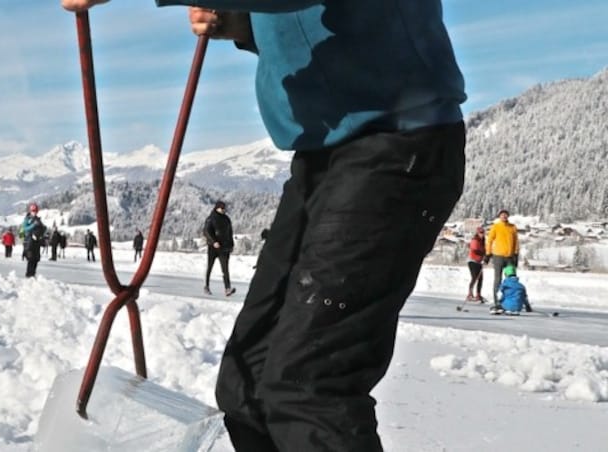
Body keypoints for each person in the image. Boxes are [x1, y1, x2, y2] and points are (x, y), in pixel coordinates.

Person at [62, 2, 466, 450]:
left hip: (398, 141)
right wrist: (245, 24)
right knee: (246, 380)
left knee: (308, 383)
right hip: (323, 154)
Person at [485, 209, 519, 314]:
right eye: (502, 215)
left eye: (505, 215)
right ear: (499, 216)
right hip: (498, 256)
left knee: (511, 279)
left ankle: (510, 302)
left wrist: (516, 254)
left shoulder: (512, 227)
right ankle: (497, 303)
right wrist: (488, 253)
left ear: (508, 216)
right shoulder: (496, 226)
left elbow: (516, 242)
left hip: (509, 257)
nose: (504, 216)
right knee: (498, 279)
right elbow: (490, 240)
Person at [203, 201, 235, 296]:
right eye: (222, 208)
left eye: (224, 208)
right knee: (210, 267)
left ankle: (227, 288)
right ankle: (206, 286)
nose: (224, 210)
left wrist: (231, 245)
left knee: (225, 269)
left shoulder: (226, 219)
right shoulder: (211, 218)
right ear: (217, 208)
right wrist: (214, 242)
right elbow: (206, 231)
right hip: (213, 247)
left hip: (224, 248)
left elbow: (230, 233)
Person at [23, 203, 46, 277]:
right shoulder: (27, 219)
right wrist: (33, 225)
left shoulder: (38, 219)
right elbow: (25, 228)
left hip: (37, 241)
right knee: (31, 258)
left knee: (36, 258)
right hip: (29, 242)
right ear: (30, 210)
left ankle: (33, 274)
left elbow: (43, 229)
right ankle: (29, 274)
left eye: (35, 210)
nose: (34, 212)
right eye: (33, 210)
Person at [466, 226, 486, 302]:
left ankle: (478, 294)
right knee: (474, 277)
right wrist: (483, 254)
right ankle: (470, 294)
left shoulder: (483, 241)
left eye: (483, 232)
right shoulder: (475, 240)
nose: (482, 234)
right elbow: (475, 250)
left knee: (480, 279)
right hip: (472, 261)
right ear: (477, 233)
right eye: (480, 233)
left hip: (479, 261)